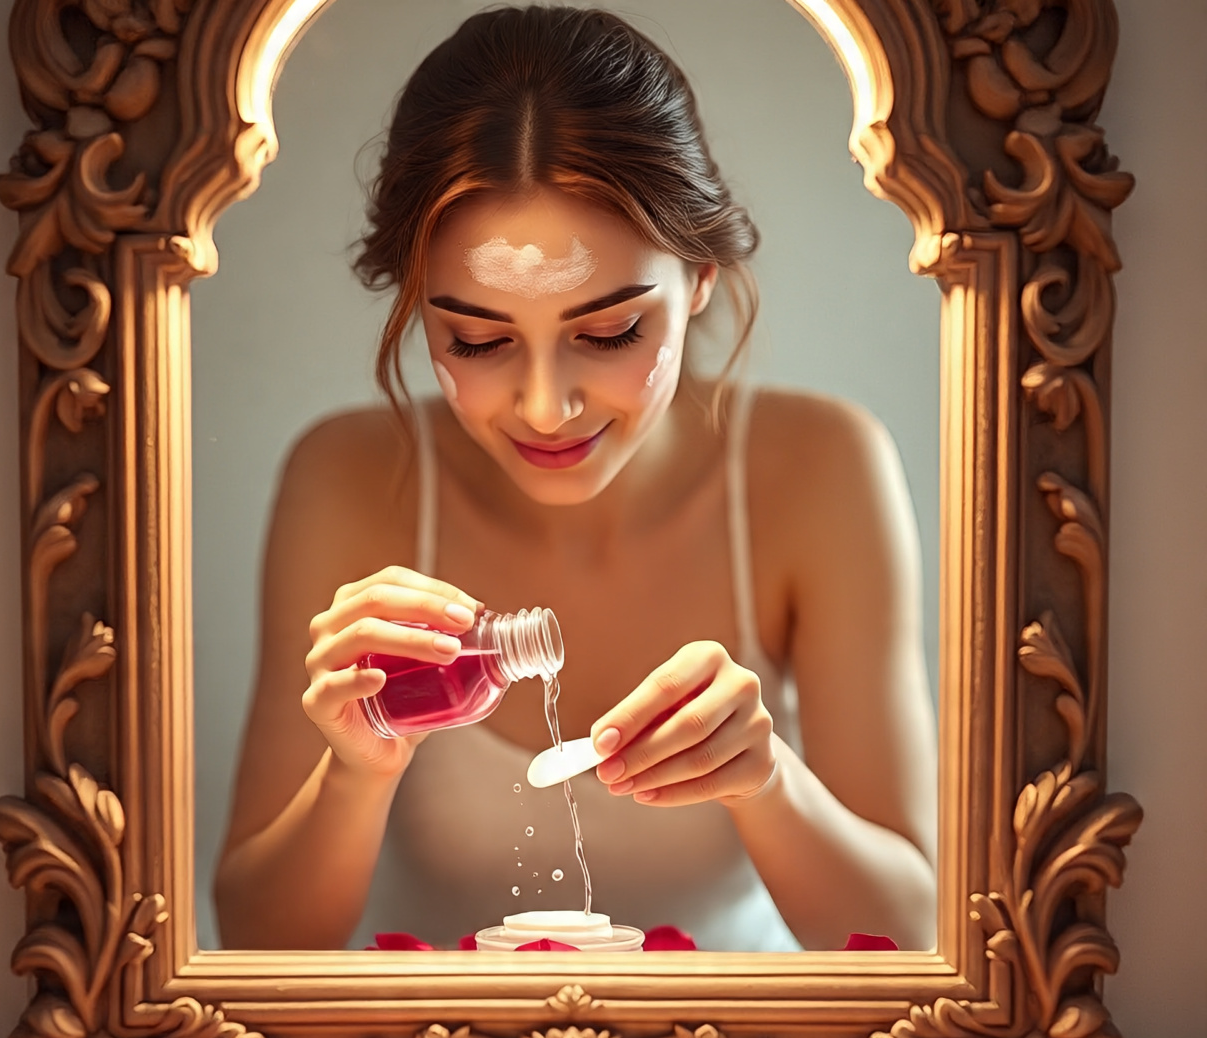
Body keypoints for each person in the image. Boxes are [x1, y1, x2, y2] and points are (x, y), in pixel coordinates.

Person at [213, 5, 937, 952]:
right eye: (476, 340)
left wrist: (769, 782)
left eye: (608, 335)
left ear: (703, 280)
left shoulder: (820, 470)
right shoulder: (350, 480)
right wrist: (356, 771)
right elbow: (256, 945)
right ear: (416, 309)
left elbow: (915, 936)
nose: (545, 408)